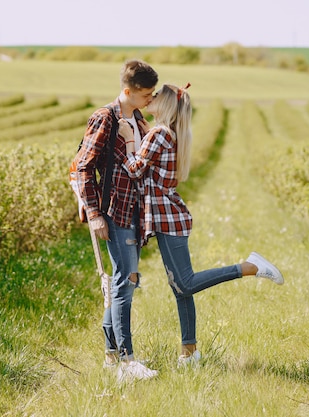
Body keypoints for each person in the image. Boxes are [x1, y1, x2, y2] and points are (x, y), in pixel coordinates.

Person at [118, 83, 284, 366]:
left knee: (185, 282)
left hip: (167, 218)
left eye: (156, 96)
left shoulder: (160, 133)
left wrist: (128, 139)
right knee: (180, 287)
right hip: (169, 217)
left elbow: (134, 170)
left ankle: (249, 267)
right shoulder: (168, 133)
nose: (151, 98)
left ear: (167, 104)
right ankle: (190, 352)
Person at [73, 60, 159, 381]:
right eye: (146, 94)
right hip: (115, 210)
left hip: (135, 210)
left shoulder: (137, 117)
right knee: (126, 279)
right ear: (128, 91)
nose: (150, 99)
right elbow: (84, 167)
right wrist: (95, 214)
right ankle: (127, 361)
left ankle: (111, 357)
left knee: (125, 280)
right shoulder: (105, 118)